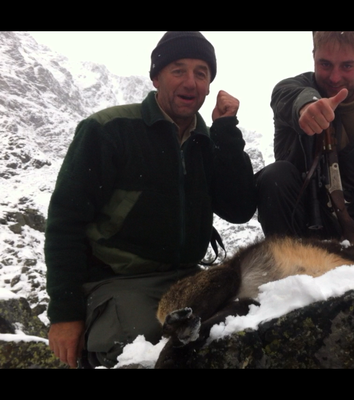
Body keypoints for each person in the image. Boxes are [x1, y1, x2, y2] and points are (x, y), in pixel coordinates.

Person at [44, 31, 257, 368]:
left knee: (246, 327)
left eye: (201, 73)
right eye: (178, 70)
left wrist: (226, 130)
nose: (190, 82)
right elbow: (64, 223)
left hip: (187, 278)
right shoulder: (108, 130)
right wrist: (65, 315)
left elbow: (240, 208)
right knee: (148, 353)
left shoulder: (206, 141)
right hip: (118, 282)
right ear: (156, 77)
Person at [256, 31, 354, 240]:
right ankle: (284, 266)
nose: (335, 78)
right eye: (325, 64)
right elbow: (287, 95)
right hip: (296, 229)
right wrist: (306, 107)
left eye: (347, 66)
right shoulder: (291, 90)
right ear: (314, 57)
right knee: (275, 176)